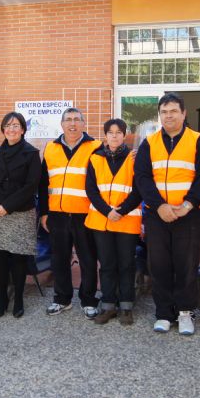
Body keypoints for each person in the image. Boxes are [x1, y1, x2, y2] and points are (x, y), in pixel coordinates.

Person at [134, 92, 200, 334]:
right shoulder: (150, 143)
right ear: (160, 115)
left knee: (186, 264)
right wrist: (160, 206)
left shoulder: (198, 141)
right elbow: (143, 178)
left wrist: (187, 205)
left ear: (183, 113)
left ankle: (185, 312)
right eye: (164, 112)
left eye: (173, 111)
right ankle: (164, 313)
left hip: (187, 215)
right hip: (157, 215)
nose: (169, 116)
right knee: (159, 265)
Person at [39, 107, 102, 319]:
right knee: (59, 259)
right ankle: (62, 299)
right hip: (57, 213)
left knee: (87, 258)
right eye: (68, 120)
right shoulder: (50, 148)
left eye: (76, 120)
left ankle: (89, 300)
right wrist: (44, 212)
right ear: (62, 124)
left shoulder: (96, 147)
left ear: (84, 124)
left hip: (85, 214)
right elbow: (43, 183)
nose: (72, 124)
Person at [0, 112, 41, 319]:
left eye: (16, 125)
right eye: (8, 125)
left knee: (18, 259)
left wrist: (7, 206)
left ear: (23, 129)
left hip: (20, 213)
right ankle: (3, 300)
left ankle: (19, 300)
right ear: (3, 129)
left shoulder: (31, 153)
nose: (11, 129)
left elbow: (31, 185)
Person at [85, 118, 142, 325]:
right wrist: (108, 211)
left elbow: (139, 189)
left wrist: (122, 211)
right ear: (105, 135)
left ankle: (126, 306)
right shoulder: (95, 158)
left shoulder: (134, 158)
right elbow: (91, 190)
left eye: (119, 132)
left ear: (125, 135)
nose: (115, 136)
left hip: (127, 221)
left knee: (126, 264)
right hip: (102, 221)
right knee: (107, 264)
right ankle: (108, 305)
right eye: (111, 132)